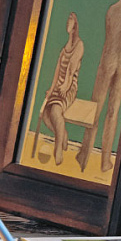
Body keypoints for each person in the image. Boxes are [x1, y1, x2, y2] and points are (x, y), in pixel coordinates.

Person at [76, 0, 121, 173]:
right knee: (113, 112)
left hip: (109, 60)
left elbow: (109, 40)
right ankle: (105, 161)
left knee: (96, 108)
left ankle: (84, 155)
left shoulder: (112, 10)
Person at [41, 12, 84, 165]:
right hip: (59, 86)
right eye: (67, 21)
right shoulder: (65, 47)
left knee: (55, 111)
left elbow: (71, 69)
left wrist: (65, 85)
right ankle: (62, 134)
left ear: (75, 25)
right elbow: (57, 71)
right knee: (46, 115)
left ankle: (58, 147)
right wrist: (51, 89)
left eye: (70, 21)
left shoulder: (79, 45)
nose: (67, 23)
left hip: (69, 87)